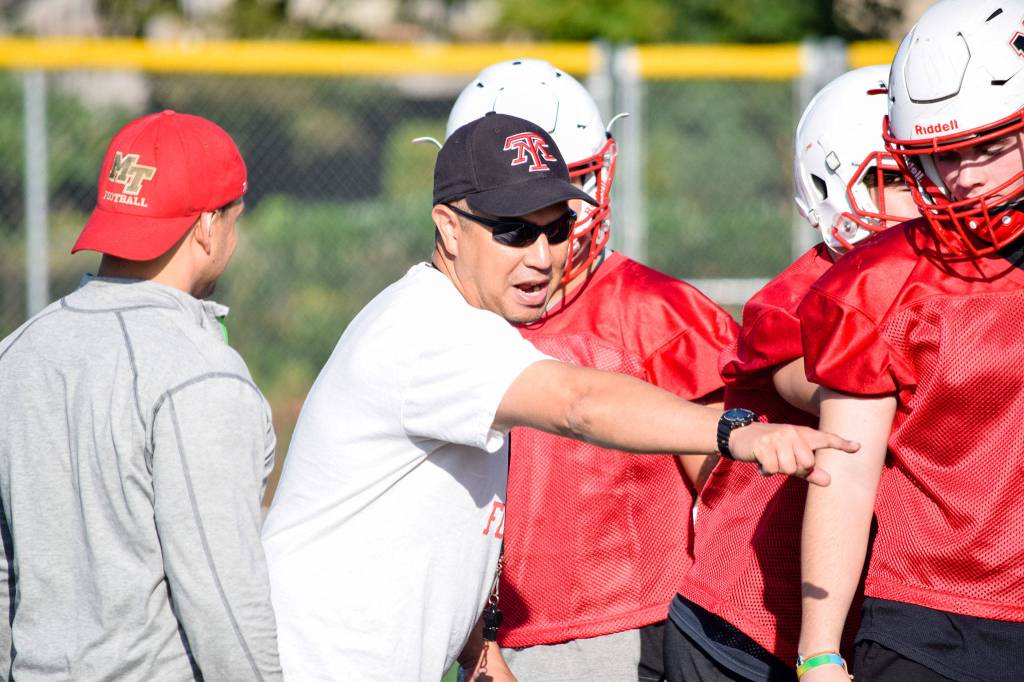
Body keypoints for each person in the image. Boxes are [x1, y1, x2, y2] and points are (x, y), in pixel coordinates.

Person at [261, 113, 858, 682]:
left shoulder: (460, 324)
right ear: (447, 226)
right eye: (513, 231)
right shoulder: (429, 330)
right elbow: (577, 402)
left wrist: (478, 650)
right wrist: (735, 432)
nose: (542, 257)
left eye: (556, 228)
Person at [444, 59, 738, 682]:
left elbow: (728, 503)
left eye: (560, 203)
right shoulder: (438, 324)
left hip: (637, 627)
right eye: (510, 219)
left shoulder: (661, 314)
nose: (543, 241)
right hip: (481, 633)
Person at [0, 110, 281, 680]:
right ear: (207, 226)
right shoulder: (199, 373)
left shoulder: (16, 353)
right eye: (234, 218)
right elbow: (224, 601)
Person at [664, 66, 918, 682]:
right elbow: (840, 387)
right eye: (892, 179)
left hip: (868, 624)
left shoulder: (931, 286)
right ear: (828, 187)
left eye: (924, 169)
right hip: (747, 627)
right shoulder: (796, 299)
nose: (924, 193)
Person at [797, 1, 1024, 679]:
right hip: (932, 623)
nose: (965, 177)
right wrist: (818, 650)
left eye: (987, 146)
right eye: (943, 155)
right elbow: (844, 473)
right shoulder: (880, 280)